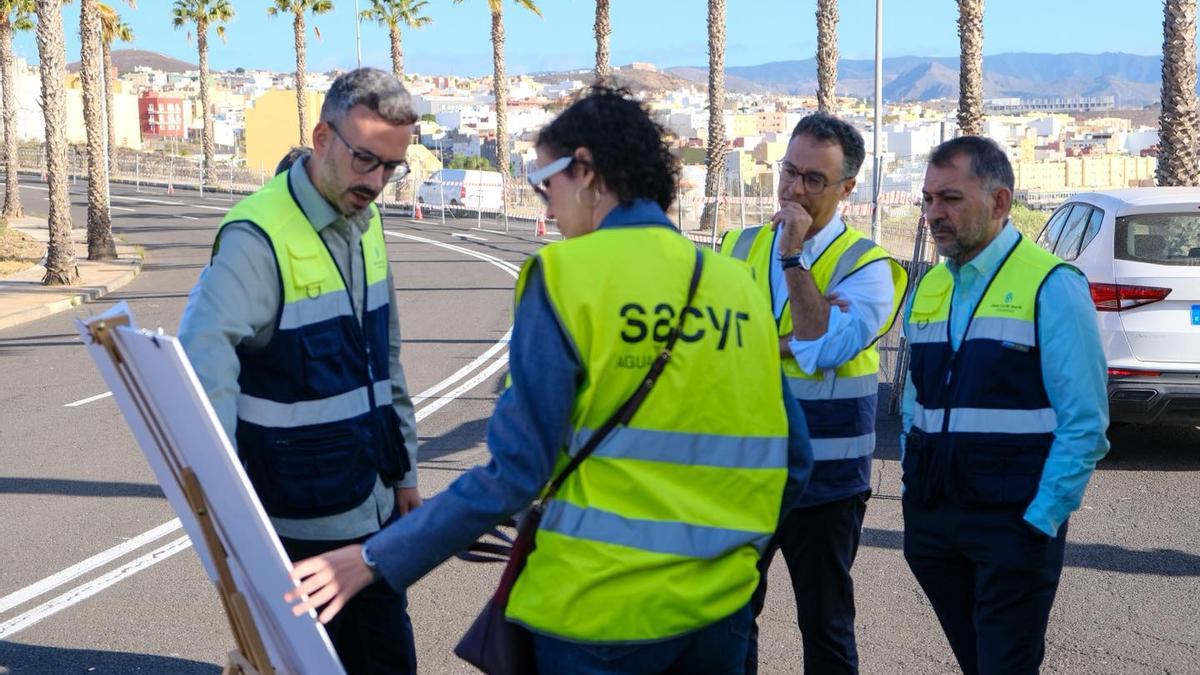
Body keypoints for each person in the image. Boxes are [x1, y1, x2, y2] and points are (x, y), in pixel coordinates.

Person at [285, 86, 814, 674]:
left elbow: (514, 475)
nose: (545, 207)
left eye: (546, 184)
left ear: (585, 172)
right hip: (719, 615)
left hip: (595, 615)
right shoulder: (735, 284)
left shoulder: (564, 277)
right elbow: (795, 459)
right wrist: (732, 559)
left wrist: (374, 560)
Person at [178, 68, 422, 674]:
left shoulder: (367, 220)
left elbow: (384, 356)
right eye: (366, 159)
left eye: (392, 168)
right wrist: (230, 517)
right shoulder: (257, 237)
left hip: (372, 500)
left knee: (387, 659)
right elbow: (204, 371)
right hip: (299, 517)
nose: (377, 182)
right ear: (322, 137)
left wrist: (406, 470)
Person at [902, 136, 1109, 674]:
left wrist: (1040, 520)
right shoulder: (930, 289)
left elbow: (1084, 423)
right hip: (936, 528)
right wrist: (914, 495)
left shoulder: (1052, 285)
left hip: (1013, 528)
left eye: (950, 198)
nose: (933, 214)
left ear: (999, 202)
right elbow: (913, 406)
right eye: (927, 200)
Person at [720, 113, 907, 674]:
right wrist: (791, 336)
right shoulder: (735, 245)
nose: (794, 189)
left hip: (825, 485)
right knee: (727, 619)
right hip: (742, 474)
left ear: (847, 189)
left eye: (814, 180)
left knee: (825, 627)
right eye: (789, 172)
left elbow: (823, 346)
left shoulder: (869, 266)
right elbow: (702, 335)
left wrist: (793, 258)